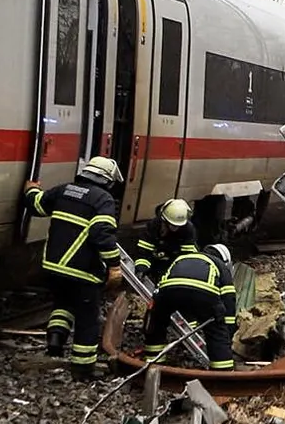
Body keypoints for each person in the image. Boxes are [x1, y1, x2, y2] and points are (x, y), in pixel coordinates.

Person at [22, 156, 124, 378]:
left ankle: (55, 342)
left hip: (54, 266)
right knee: (87, 318)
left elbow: (37, 205)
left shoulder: (64, 190)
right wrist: (114, 266)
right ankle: (82, 368)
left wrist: (30, 190)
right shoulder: (103, 199)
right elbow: (102, 234)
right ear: (107, 181)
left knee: (62, 304)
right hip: (82, 270)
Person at [145, 242, 238, 371]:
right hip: (204, 293)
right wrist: (227, 330)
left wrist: (155, 307)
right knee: (216, 331)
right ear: (225, 260)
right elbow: (228, 300)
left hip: (169, 290)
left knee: (158, 322)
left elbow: (165, 281)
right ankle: (222, 371)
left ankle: (152, 364)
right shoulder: (219, 264)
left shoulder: (182, 258)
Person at [130, 199, 196, 282]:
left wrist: (174, 275)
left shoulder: (188, 230)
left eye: (177, 226)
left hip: (173, 262)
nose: (175, 228)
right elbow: (144, 251)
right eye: (172, 225)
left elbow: (186, 257)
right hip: (155, 259)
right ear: (164, 220)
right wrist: (141, 269)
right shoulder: (154, 226)